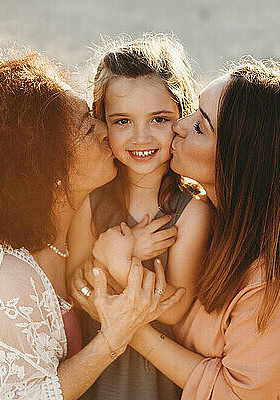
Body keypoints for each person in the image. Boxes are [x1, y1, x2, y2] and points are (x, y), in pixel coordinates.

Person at [0, 48, 184, 400]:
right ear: (48, 169)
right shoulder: (3, 275)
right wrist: (111, 341)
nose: (105, 130)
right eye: (86, 126)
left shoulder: (61, 224)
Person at [71, 58, 280, 399]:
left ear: (241, 159)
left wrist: (124, 325)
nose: (179, 126)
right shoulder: (217, 217)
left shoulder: (279, 281)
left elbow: (232, 395)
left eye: (201, 126)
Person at [67, 34, 213, 400]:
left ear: (182, 116)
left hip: (154, 376)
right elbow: (75, 283)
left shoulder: (190, 211)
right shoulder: (93, 199)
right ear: (102, 122)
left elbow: (175, 308)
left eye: (159, 119)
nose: (141, 137)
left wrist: (117, 260)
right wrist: (109, 253)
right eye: (122, 121)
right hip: (95, 366)